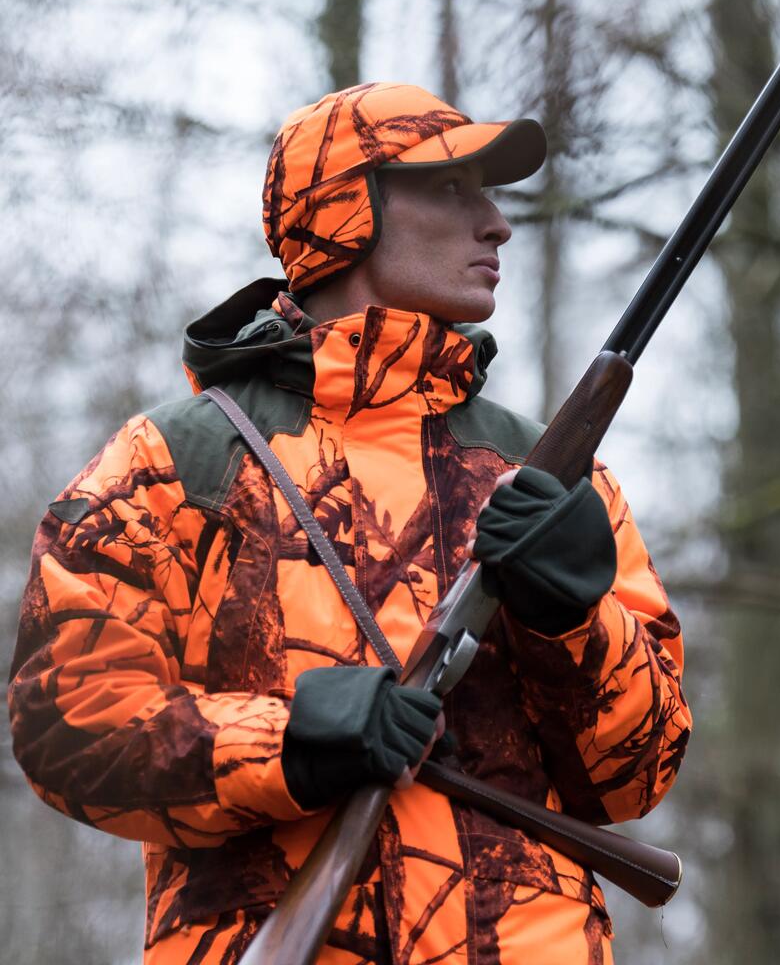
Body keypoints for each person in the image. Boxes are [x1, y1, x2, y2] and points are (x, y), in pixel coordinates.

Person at [8, 82, 692, 964]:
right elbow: (65, 725)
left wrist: (575, 619)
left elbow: (637, 775)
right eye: (453, 188)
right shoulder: (173, 464)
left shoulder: (553, 475)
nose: (497, 224)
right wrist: (285, 742)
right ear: (346, 211)